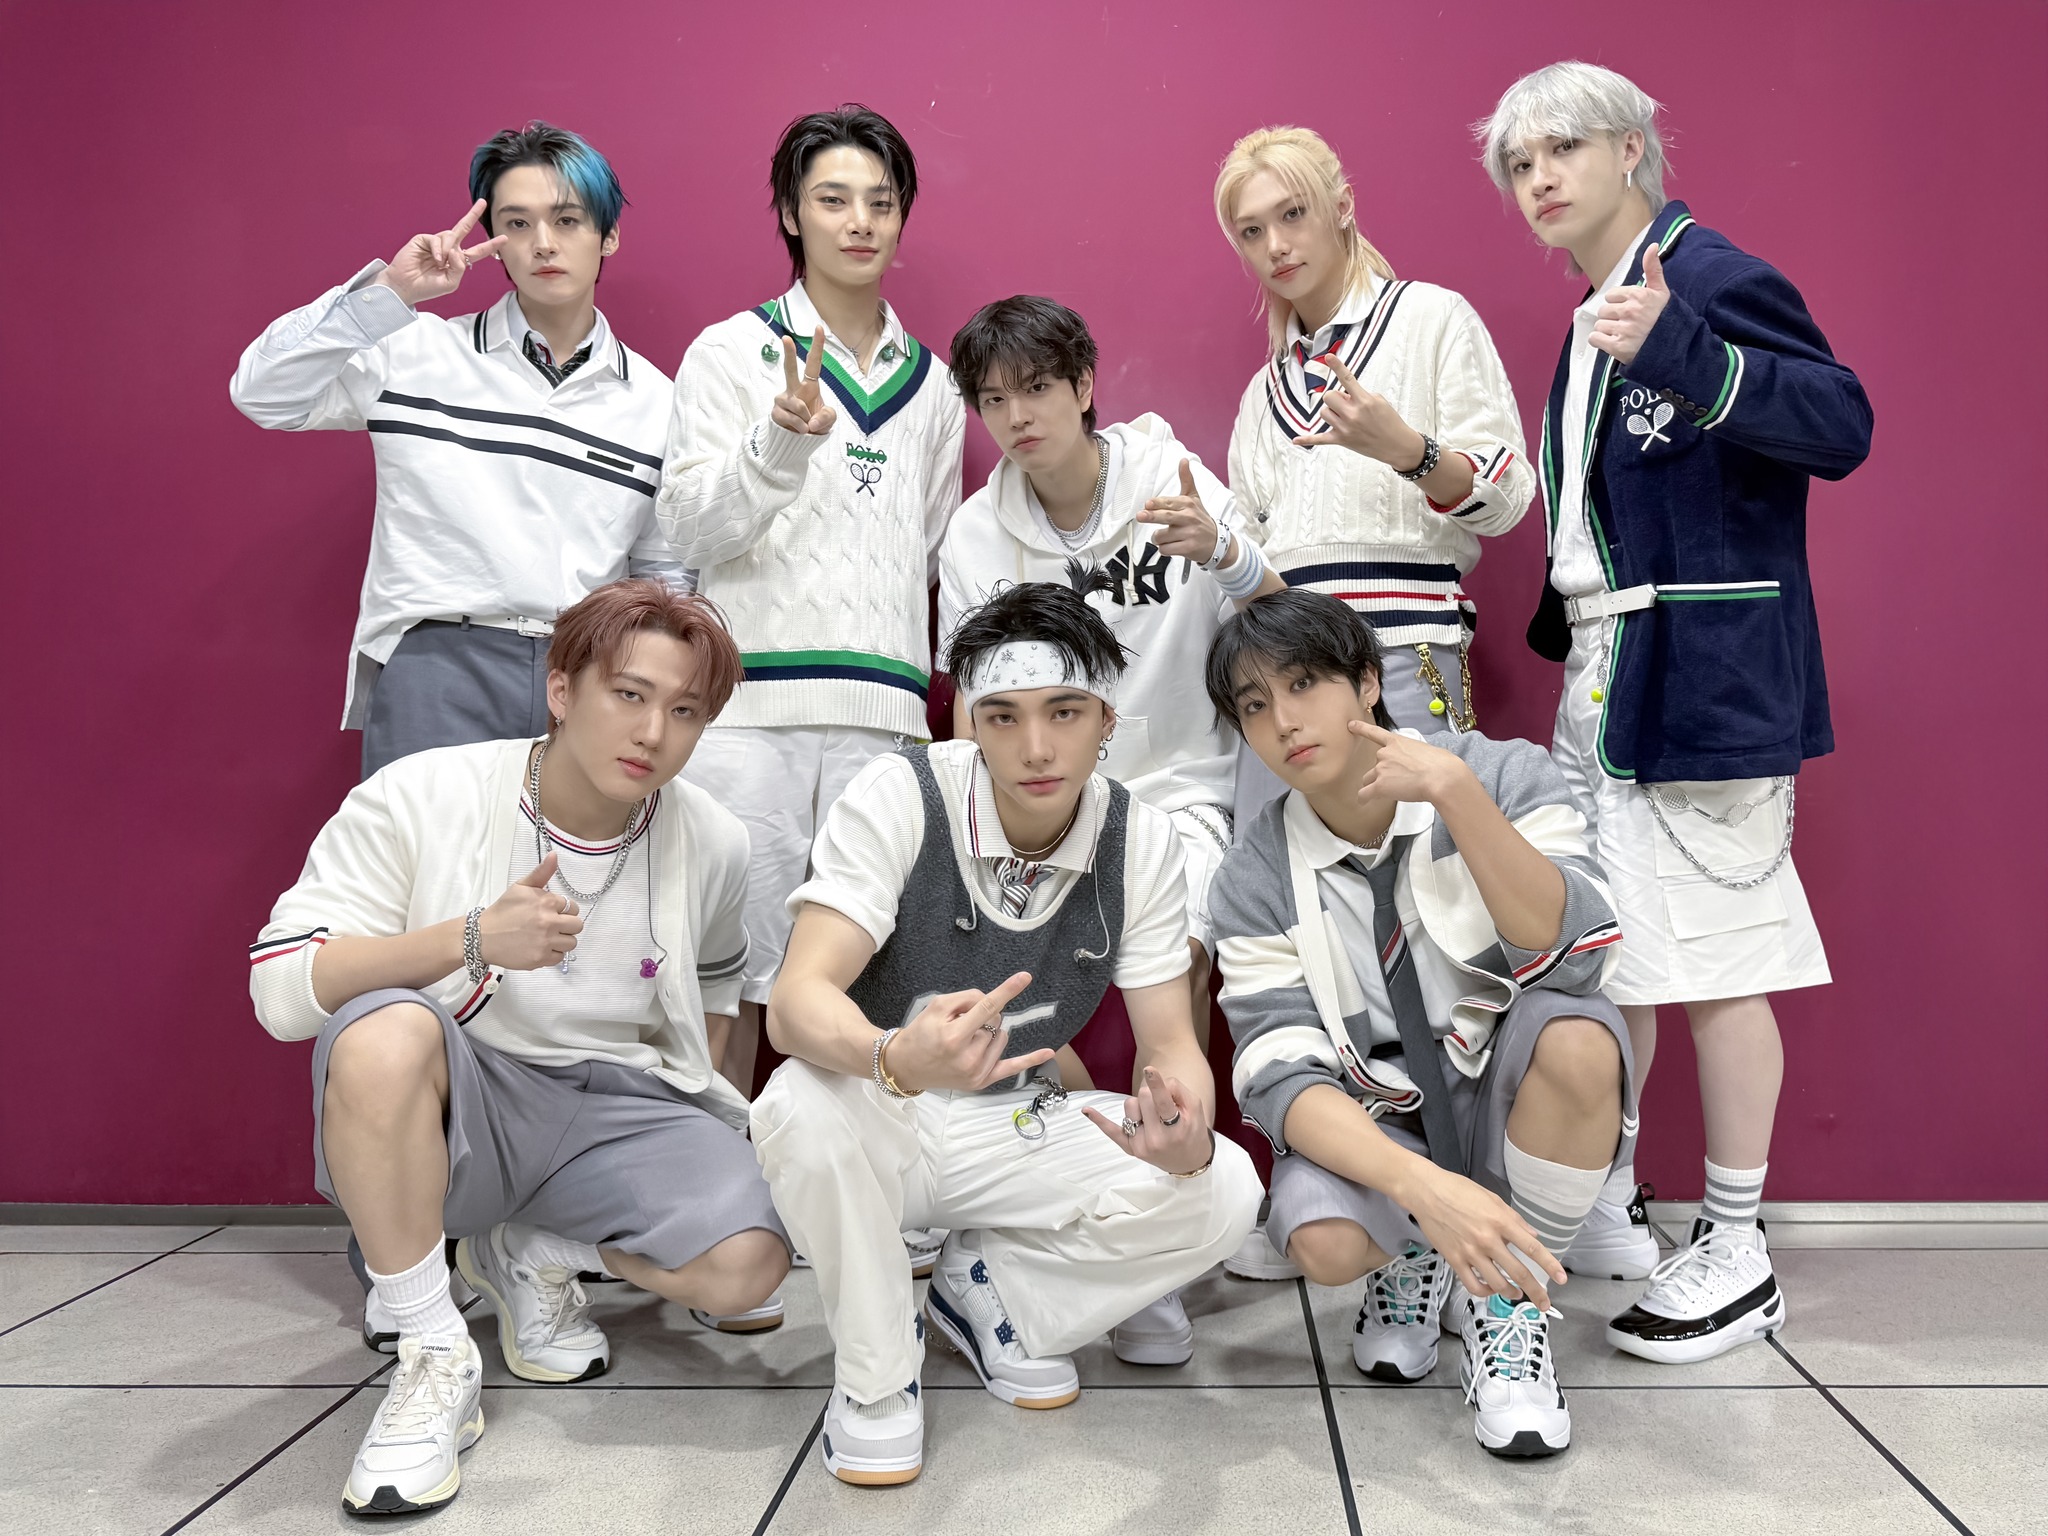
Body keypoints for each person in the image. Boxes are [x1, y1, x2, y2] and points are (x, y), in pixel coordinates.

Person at [1476, 62, 1872, 1360]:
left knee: (1720, 959)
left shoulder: (1706, 281)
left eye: (1562, 148)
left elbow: (1841, 422)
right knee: (1611, 953)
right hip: (1609, 679)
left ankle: (1739, 1247)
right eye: (1517, 162)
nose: (1539, 177)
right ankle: (1612, 1199)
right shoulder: (1594, 310)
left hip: (1702, 681)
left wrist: (1688, 355)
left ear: (1632, 150)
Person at [248, 580, 789, 1515]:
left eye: (685, 711)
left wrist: (712, 1141)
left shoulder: (715, 839)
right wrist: (469, 939)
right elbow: (281, 992)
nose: (652, 732)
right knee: (381, 1032)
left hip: (615, 1108)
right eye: (629, 694)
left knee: (748, 1268)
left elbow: (712, 999)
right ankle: (432, 1351)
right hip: (470, 1098)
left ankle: (531, 1252)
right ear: (561, 690)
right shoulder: (424, 792)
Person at [751, 582, 1261, 1486]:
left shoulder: (1141, 839)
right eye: (1003, 716)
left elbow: (1169, 1043)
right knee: (794, 1104)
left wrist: (1183, 1123)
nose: (1036, 747)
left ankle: (996, 1298)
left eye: (1065, 712)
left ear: (1106, 720)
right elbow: (795, 1003)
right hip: (885, 1108)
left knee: (1222, 1186)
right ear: (969, 726)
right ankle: (877, 1376)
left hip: (1017, 1119)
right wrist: (892, 1056)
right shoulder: (902, 793)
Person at [1211, 124, 1537, 1281]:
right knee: (1300, 920)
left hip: (1404, 658)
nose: (1274, 244)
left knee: (1443, 910)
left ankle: (1487, 1185)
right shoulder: (1268, 388)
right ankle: (1340, 1175)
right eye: (1249, 230)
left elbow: (1506, 498)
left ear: (1340, 205)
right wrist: (1218, 549)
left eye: (1291, 214)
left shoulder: (1430, 321)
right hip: (1286, 674)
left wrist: (1405, 449)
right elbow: (1262, 568)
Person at [1207, 588, 1633, 1457]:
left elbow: (1579, 959)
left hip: (1503, 1092)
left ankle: (1506, 1305)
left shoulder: (1499, 774)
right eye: (1254, 706)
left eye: (1304, 684)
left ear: (1368, 682)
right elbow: (1281, 1076)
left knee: (1581, 1040)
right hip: (1383, 1114)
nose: (1284, 722)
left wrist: (1457, 797)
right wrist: (1420, 1189)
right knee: (1324, 1242)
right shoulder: (1251, 874)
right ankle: (1419, 1255)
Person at [656, 105, 964, 1104]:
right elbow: (688, 530)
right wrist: (777, 445)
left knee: (872, 986)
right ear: (791, 214)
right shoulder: (727, 352)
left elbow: (927, 547)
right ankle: (712, 1183)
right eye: (833, 199)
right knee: (725, 983)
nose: (859, 222)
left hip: (885, 722)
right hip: (750, 720)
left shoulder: (936, 388)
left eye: (880, 202)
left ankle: (858, 1183)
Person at [230, 121, 685, 780]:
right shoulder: (414, 350)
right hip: (438, 663)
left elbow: (661, 572)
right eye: (517, 224)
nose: (543, 243)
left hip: (588, 676)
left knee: (570, 854)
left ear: (608, 234)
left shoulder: (659, 402)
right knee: (424, 850)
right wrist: (391, 295)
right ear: (491, 239)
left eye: (567, 220)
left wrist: (641, 691)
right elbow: (263, 392)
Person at [938, 294, 1287, 1037]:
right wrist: (976, 828)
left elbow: (1278, 613)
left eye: (1037, 388)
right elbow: (972, 703)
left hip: (1181, 789)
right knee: (1001, 989)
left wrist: (1223, 552)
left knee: (1178, 962)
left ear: (1084, 385)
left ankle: (1167, 1110)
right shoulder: (973, 534)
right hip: (1039, 802)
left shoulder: (1171, 480)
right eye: (993, 400)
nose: (1017, 417)